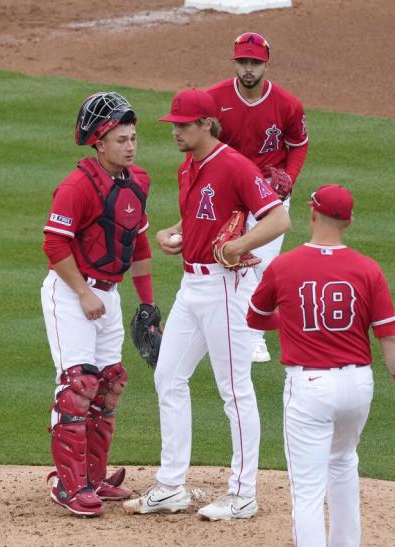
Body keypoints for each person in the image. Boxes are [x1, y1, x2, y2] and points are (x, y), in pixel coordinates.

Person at [245, 184, 395, 547]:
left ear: (312, 214)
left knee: (307, 492)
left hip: (310, 387)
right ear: (349, 222)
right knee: (343, 462)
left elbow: (254, 318)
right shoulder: (367, 269)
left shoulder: (285, 266)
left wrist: (292, 314)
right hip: (358, 386)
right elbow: (390, 337)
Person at [124, 88, 289, 520]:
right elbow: (199, 212)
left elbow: (278, 217)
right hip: (192, 287)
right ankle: (171, 485)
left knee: (234, 389)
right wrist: (172, 233)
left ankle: (243, 492)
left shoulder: (235, 165)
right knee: (168, 376)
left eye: (183, 125)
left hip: (226, 289)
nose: (175, 131)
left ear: (206, 125)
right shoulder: (188, 167)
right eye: (174, 125)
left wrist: (239, 245)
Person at [41, 91, 158, 517]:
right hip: (71, 293)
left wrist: (146, 306)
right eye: (122, 139)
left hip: (107, 294)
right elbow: (54, 244)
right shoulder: (76, 186)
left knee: (110, 383)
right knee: (78, 387)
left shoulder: (138, 182)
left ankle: (93, 478)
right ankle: (68, 487)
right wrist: (85, 293)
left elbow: (140, 243)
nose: (131, 146)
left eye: (133, 138)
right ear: (99, 142)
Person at [206, 32, 309, 363]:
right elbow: (201, 146)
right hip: (229, 192)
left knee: (262, 266)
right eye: (243, 62)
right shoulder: (214, 100)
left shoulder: (287, 104)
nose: (249, 69)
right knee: (222, 261)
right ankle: (221, 326)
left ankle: (255, 336)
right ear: (235, 62)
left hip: (268, 195)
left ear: (266, 64)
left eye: (255, 63)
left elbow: (298, 145)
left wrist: (289, 179)